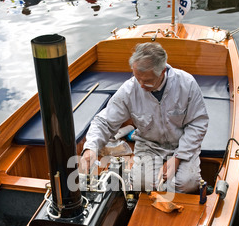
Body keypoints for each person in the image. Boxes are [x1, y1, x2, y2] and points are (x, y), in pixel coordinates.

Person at [80, 42, 209, 193]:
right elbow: (104, 121)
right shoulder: (130, 89)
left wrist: (178, 157)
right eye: (137, 78)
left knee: (186, 184)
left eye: (147, 81)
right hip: (149, 146)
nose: (140, 85)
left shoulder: (187, 84)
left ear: (162, 73)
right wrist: (91, 147)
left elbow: (198, 123)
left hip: (181, 145)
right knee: (142, 183)